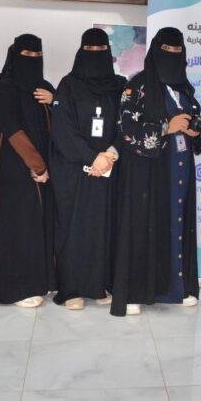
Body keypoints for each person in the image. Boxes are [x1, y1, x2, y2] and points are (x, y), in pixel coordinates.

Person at [111, 27, 201, 316]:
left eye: (178, 52)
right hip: (148, 173)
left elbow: (195, 119)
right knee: (145, 227)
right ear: (154, 52)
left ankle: (177, 288)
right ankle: (136, 292)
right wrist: (166, 128)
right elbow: (125, 129)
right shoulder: (136, 87)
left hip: (180, 169)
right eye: (167, 52)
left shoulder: (183, 88)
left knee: (177, 224)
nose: (172, 57)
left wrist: (194, 129)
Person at [50, 28, 126, 310]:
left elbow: (127, 124)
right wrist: (92, 157)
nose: (95, 55)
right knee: (73, 228)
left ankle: (98, 286)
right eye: (90, 50)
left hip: (109, 169)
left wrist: (111, 154)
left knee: (103, 227)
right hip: (73, 171)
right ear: (81, 51)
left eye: (101, 50)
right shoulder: (68, 85)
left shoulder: (119, 85)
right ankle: (70, 290)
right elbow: (62, 130)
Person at [0, 34, 57, 307]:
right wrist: (37, 165)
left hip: (43, 169)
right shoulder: (6, 90)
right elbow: (12, 130)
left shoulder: (44, 89)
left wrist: (54, 100)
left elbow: (59, 121)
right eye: (27, 56)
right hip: (14, 169)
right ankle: (15, 288)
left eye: (37, 56)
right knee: (17, 226)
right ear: (15, 56)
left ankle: (39, 281)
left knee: (37, 224)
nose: (33, 61)